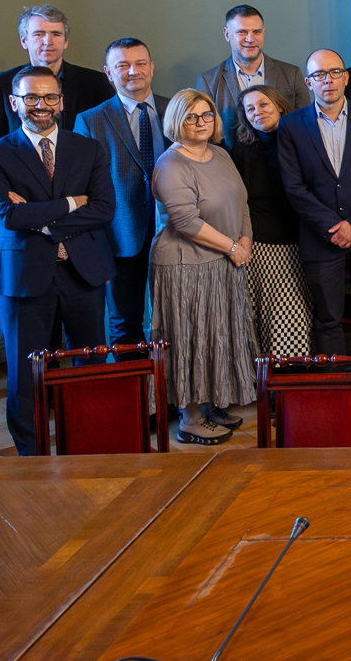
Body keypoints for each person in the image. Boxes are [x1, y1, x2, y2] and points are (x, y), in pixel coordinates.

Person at [0, 66, 115, 455]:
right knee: (25, 374)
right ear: (14, 103)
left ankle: (87, 448)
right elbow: (8, 216)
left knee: (90, 369)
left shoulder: (89, 149)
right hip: (22, 276)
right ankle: (31, 457)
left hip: (83, 271)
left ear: (61, 101)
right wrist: (72, 203)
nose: (41, 105)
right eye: (32, 98)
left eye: (50, 97)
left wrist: (40, 217)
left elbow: (104, 209)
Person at [276, 49, 351, 428]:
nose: (327, 80)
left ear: (347, 77)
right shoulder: (291, 126)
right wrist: (334, 226)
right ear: (308, 82)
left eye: (334, 72)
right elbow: (293, 189)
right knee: (327, 320)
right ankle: (341, 396)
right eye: (319, 75)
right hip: (319, 239)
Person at [150, 88, 258, 445]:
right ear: (176, 121)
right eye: (191, 116)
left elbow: (242, 200)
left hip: (225, 261)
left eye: (206, 115)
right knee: (189, 339)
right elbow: (186, 221)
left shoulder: (221, 154)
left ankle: (211, 405)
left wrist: (244, 240)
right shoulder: (171, 164)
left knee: (217, 336)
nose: (201, 122)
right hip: (186, 267)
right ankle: (190, 418)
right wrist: (231, 245)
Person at [74, 38, 168, 350]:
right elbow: (80, 183)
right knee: (125, 321)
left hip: (176, 230)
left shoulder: (176, 109)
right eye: (122, 66)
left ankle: (171, 392)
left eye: (141, 63)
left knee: (176, 318)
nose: (133, 71)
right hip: (121, 234)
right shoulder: (90, 121)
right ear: (108, 73)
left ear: (152, 68)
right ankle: (138, 396)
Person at [229, 85, 311, 357]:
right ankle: (260, 381)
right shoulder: (242, 149)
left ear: (279, 105)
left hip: (298, 244)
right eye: (250, 109)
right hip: (258, 245)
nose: (257, 112)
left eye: (263, 105)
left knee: (291, 317)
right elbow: (237, 201)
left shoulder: (305, 140)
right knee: (257, 317)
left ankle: (290, 381)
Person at [0, 5, 113, 145]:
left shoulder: (96, 82)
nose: (48, 42)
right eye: (39, 34)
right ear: (24, 41)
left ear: (65, 41)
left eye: (56, 34)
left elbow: (111, 138)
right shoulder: (0, 85)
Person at [196, 5, 308, 128]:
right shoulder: (208, 81)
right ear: (227, 34)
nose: (250, 39)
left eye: (256, 32)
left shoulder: (292, 74)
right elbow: (205, 130)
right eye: (242, 32)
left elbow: (305, 125)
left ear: (263, 33)